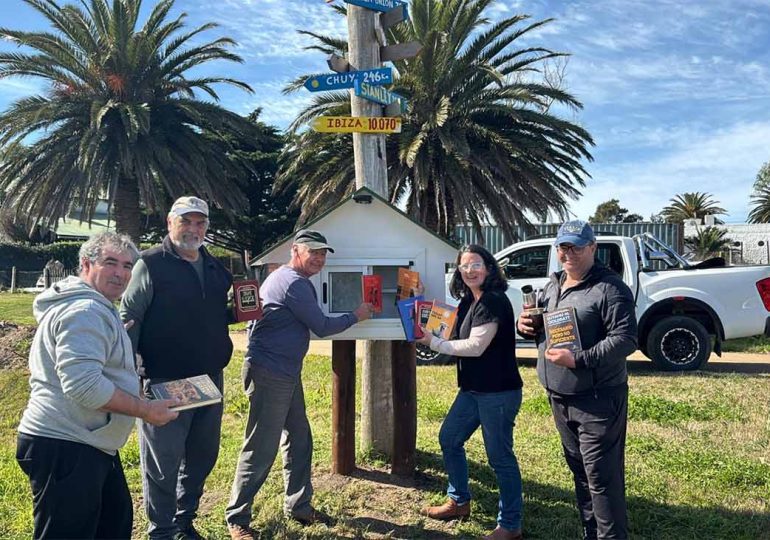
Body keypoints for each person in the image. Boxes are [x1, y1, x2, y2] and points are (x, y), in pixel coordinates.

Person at [16, 232, 179, 540]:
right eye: (110, 263)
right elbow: (86, 387)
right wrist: (145, 410)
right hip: (67, 444)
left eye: (127, 265)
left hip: (89, 442)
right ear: (85, 264)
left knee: (112, 524)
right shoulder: (84, 312)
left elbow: (93, 370)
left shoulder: (95, 307)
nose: (121, 273)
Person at [225, 229, 373, 540]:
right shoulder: (293, 283)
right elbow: (321, 326)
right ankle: (237, 518)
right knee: (261, 446)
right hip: (271, 373)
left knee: (299, 437)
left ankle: (299, 506)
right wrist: (357, 315)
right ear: (296, 250)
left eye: (323, 253)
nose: (319, 258)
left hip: (284, 373)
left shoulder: (289, 279)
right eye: (313, 252)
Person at [120, 196, 235, 540]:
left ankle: (185, 522)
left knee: (202, 456)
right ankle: (161, 530)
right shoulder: (151, 264)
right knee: (163, 462)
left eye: (200, 223)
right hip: (164, 379)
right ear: (170, 223)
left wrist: (243, 311)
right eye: (186, 221)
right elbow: (130, 318)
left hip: (208, 379)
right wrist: (126, 373)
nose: (193, 229)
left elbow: (214, 314)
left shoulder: (215, 268)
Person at [517, 220, 637, 540]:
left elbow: (625, 340)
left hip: (598, 398)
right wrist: (525, 327)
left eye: (576, 247)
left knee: (601, 477)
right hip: (559, 395)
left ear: (593, 248)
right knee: (580, 472)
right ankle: (591, 532)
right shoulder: (552, 285)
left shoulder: (610, 289)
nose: (568, 253)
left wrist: (579, 360)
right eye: (563, 247)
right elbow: (547, 327)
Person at [419, 244, 525, 540]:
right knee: (449, 438)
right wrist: (418, 298)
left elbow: (475, 347)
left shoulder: (493, 301)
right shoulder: (468, 301)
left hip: (498, 393)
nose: (469, 271)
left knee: (500, 457)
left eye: (475, 264)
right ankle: (459, 502)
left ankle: (510, 525)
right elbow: (449, 329)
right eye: (464, 266)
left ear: (489, 268)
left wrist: (432, 343)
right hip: (472, 390)